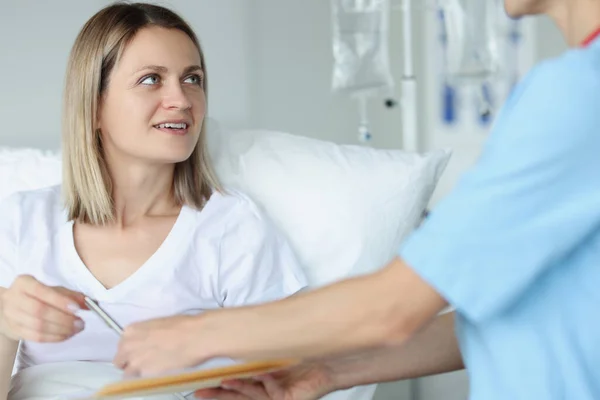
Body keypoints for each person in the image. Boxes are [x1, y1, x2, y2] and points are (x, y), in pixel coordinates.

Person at [113, 0, 600, 399]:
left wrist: (195, 335)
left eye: (191, 78)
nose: (178, 98)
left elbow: (392, 307)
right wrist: (327, 372)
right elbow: (526, 312)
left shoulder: (577, 93)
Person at [0, 2, 308, 399]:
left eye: (192, 78)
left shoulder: (230, 228)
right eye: (151, 80)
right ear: (94, 105)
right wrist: (5, 323)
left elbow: (289, 375)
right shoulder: (20, 222)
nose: (181, 99)